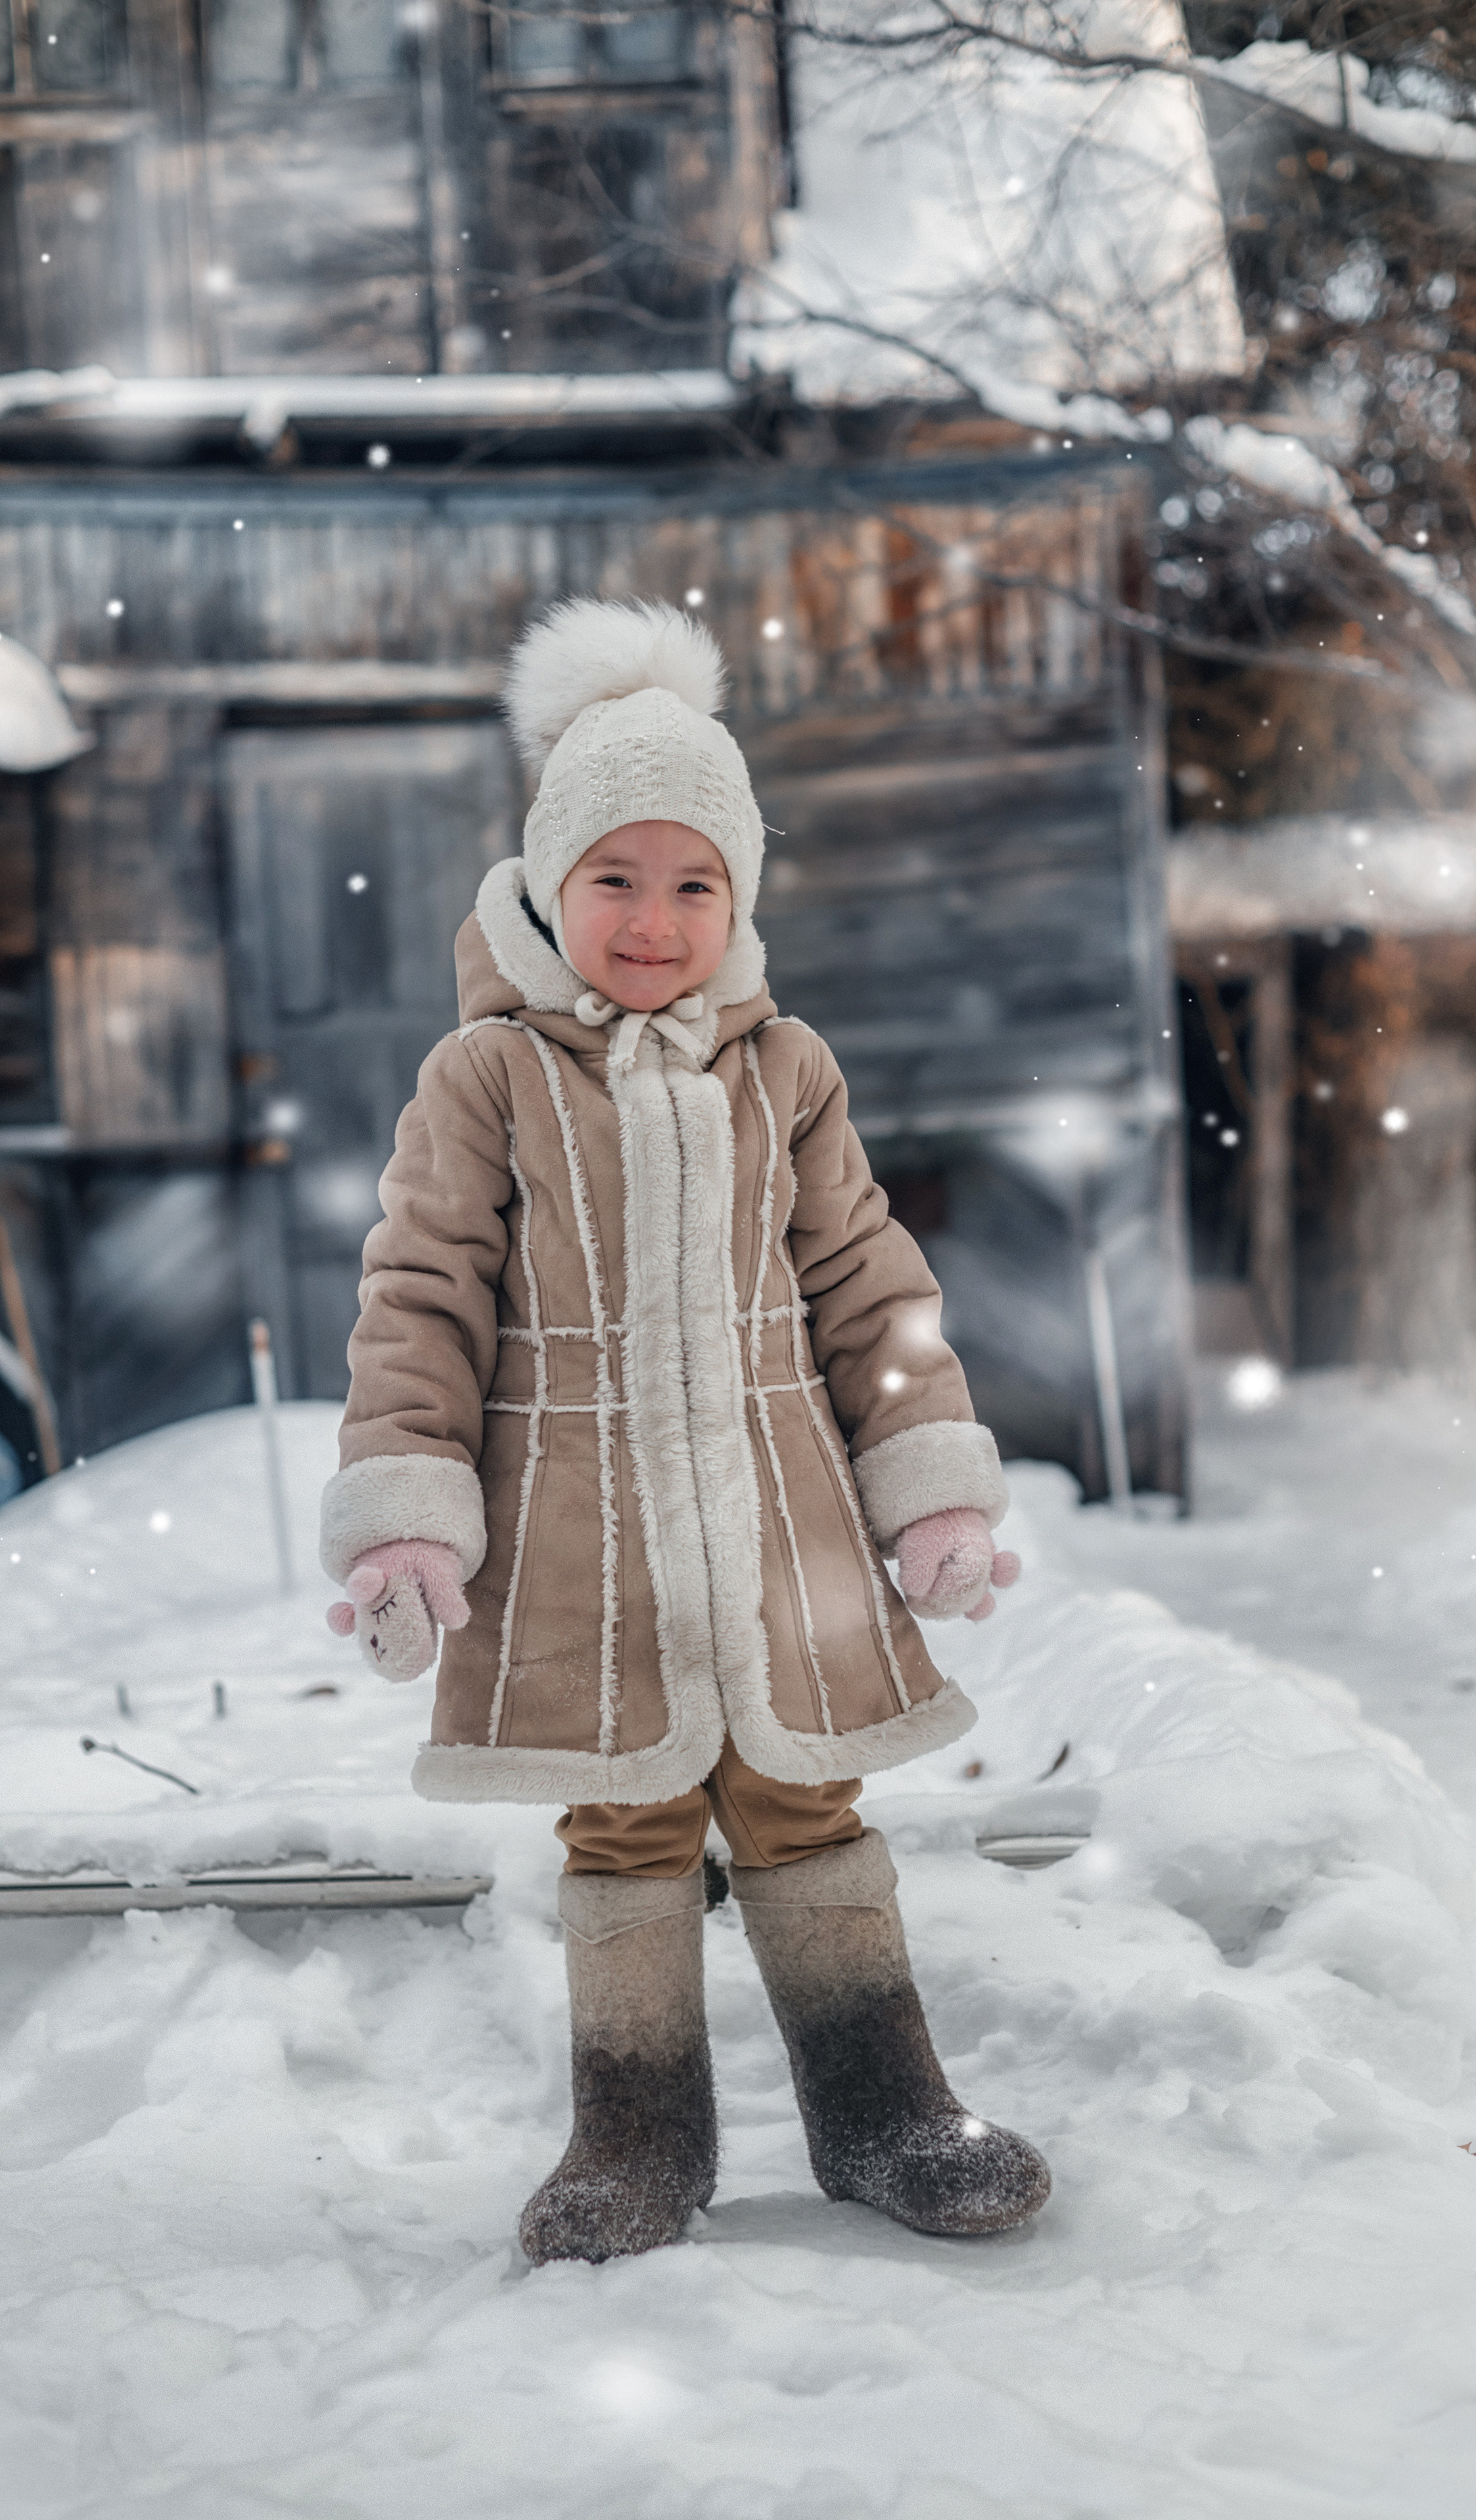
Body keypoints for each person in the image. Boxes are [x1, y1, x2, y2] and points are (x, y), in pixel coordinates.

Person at [321, 598, 1050, 2263]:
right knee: (628, 1816)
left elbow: (873, 1288)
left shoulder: (783, 1069)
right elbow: (419, 1297)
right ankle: (634, 2134)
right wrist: (409, 1512)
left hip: (779, 1517)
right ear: (546, 888)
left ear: (735, 901)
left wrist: (926, 1487)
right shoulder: (486, 1078)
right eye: (615, 880)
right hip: (584, 1536)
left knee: (808, 1800)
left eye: (692, 882)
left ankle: (886, 2110)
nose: (653, 921)